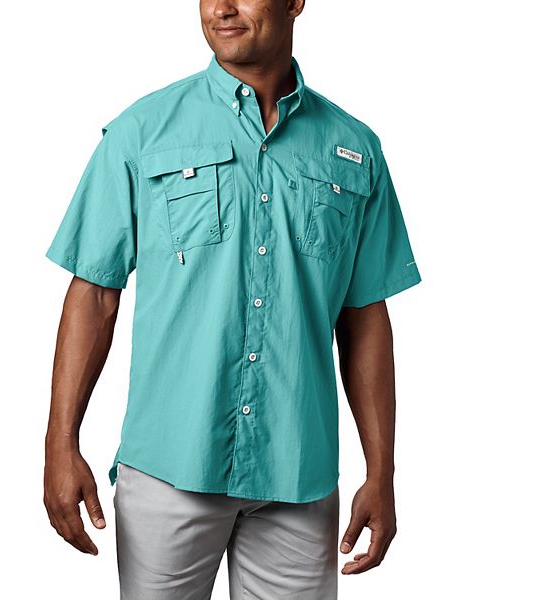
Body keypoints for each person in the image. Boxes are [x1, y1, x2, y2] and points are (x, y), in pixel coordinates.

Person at [43, 0, 422, 597]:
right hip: (170, 468)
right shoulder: (141, 132)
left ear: (294, 2)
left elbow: (365, 317)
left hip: (299, 474)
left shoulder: (354, 147)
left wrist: (382, 472)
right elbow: (93, 294)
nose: (220, 8)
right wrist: (60, 443)